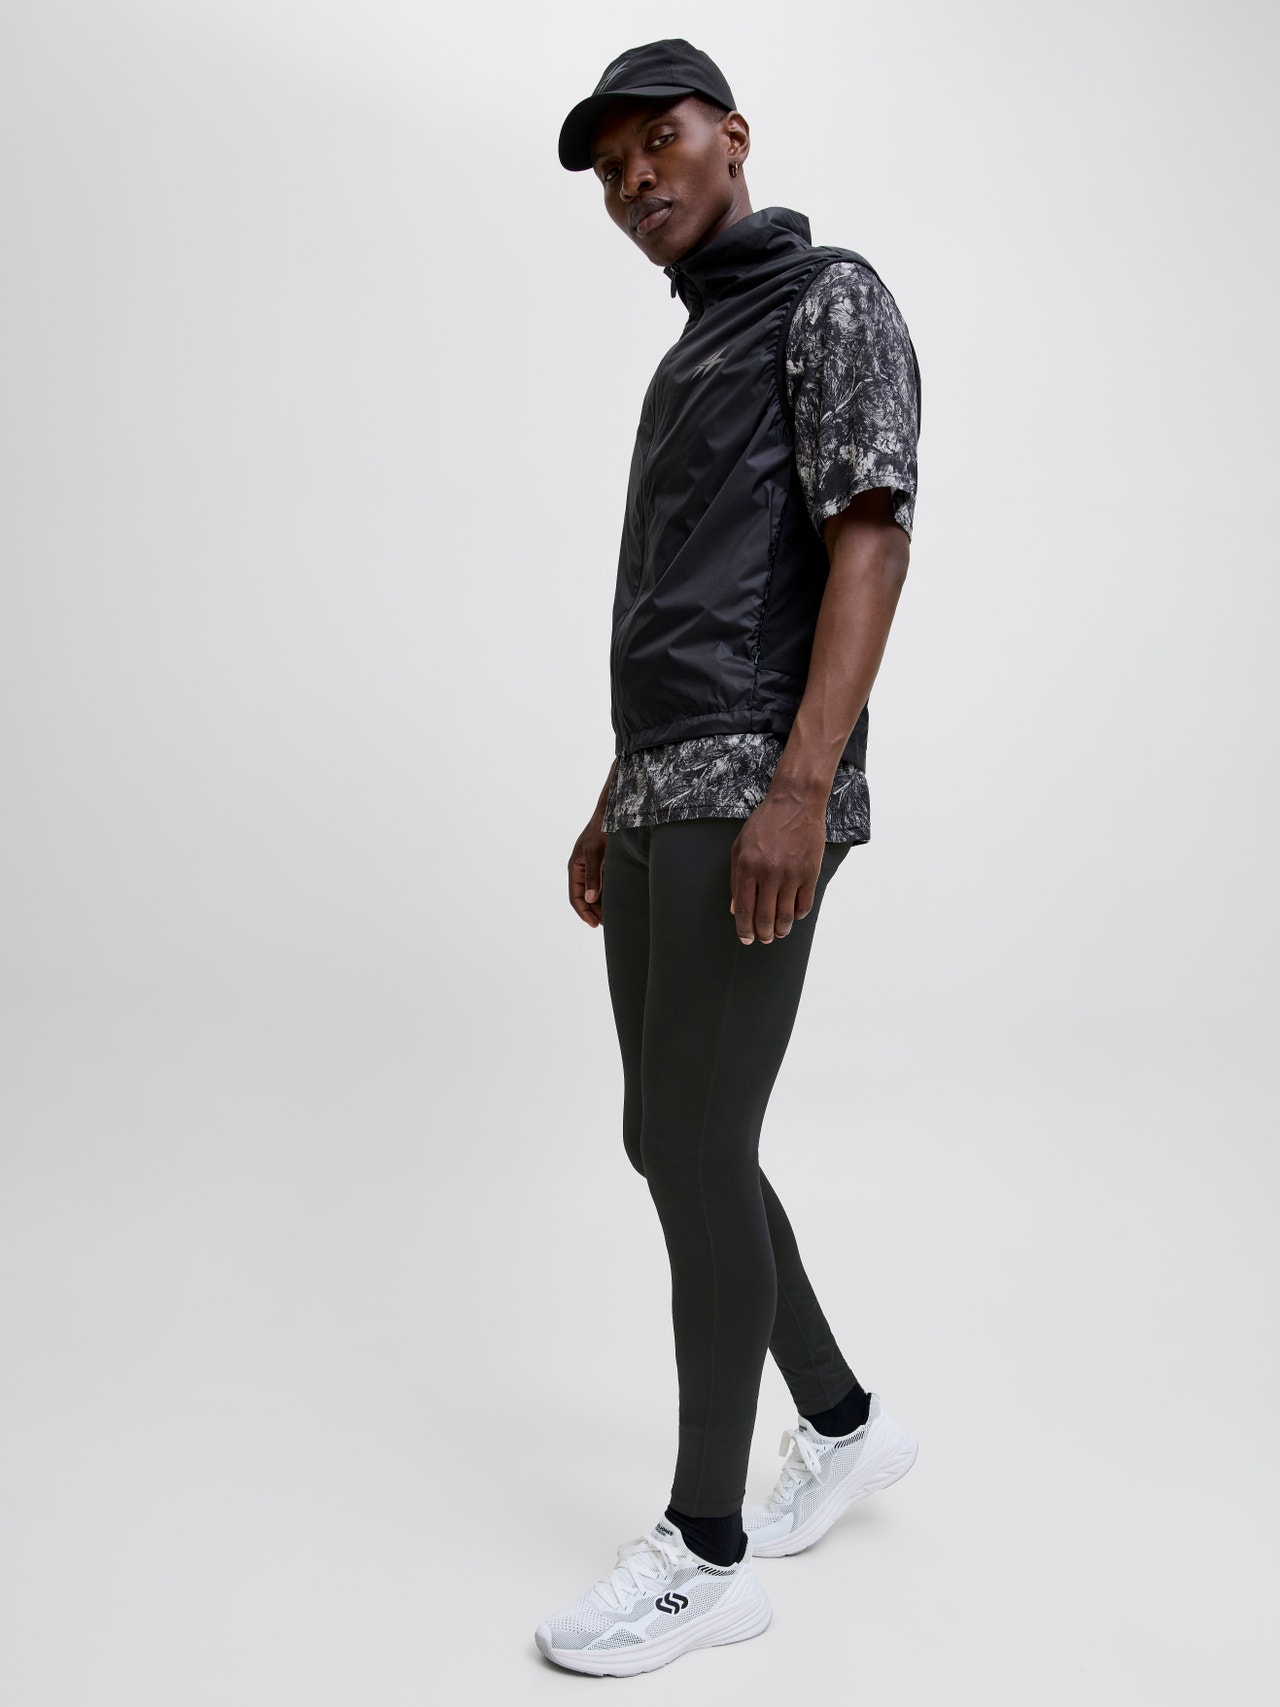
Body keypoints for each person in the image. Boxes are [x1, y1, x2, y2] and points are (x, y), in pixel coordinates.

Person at [535, 39, 922, 1677]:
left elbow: (870, 537)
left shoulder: (830, 300)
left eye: (661, 142)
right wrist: (614, 789)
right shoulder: (692, 352)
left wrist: (801, 785)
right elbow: (685, 597)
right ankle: (839, 1420)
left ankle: (706, 1556)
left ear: (732, 136)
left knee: (698, 1142)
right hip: (662, 789)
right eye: (614, 166)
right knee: (672, 1138)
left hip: (757, 787)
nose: (638, 180)